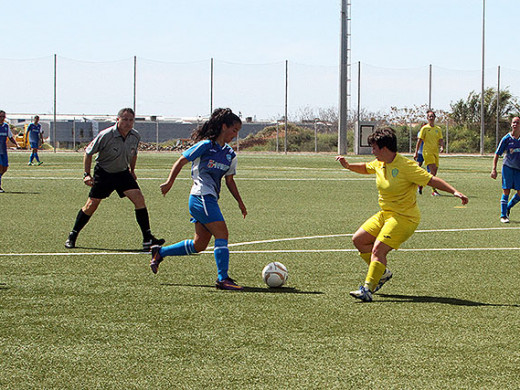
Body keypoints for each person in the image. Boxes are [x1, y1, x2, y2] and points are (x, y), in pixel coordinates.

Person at [336, 127, 468, 302]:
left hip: (405, 218)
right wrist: (348, 166)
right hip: (385, 214)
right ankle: (382, 273)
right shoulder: (380, 163)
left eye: (375, 148)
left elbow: (431, 180)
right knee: (359, 240)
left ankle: (367, 288)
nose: (372, 152)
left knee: (378, 249)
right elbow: (366, 168)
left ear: (384, 148)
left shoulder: (406, 166)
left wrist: (455, 192)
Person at [149, 108, 247, 291]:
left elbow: (230, 180)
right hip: (201, 196)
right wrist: (169, 182)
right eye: (234, 130)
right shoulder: (205, 146)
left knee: (199, 244)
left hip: (209, 199)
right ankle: (222, 278)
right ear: (224, 126)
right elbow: (181, 160)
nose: (235, 135)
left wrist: (240, 202)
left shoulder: (230, 155)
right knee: (222, 234)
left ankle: (160, 252)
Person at [65, 108, 164, 251]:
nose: (128, 123)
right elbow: (88, 153)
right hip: (104, 173)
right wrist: (86, 174)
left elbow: (133, 154)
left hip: (122, 173)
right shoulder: (105, 135)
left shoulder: (135, 136)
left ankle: (147, 238)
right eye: (124, 119)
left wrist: (132, 170)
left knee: (139, 199)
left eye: (131, 120)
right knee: (91, 205)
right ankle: (73, 235)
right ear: (117, 120)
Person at [491, 116, 520, 223]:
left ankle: (508, 207)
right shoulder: (506, 139)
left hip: (518, 169)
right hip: (507, 168)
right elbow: (497, 154)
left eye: (517, 122)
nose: (515, 124)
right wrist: (494, 169)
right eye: (513, 122)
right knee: (506, 190)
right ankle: (503, 216)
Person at [413, 110, 445, 196]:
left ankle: (421, 184)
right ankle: (434, 191)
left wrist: (442, 146)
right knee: (432, 171)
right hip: (427, 152)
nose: (431, 118)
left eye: (432, 116)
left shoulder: (438, 129)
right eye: (429, 116)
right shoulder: (424, 129)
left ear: (435, 118)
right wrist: (416, 152)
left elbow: (440, 139)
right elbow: (419, 141)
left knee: (433, 172)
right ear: (427, 118)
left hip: (435, 152)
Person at [0, 110, 20, 193]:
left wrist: (17, 144)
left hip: (3, 150)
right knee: (0, 167)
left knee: (5, 168)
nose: (2, 118)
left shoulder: (6, 126)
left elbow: (10, 137)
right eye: (1, 116)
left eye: (3, 117)